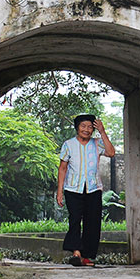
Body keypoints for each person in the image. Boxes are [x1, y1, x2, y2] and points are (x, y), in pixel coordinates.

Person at [56, 113, 116, 266]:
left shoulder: (97, 143)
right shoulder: (68, 144)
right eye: (83, 126)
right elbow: (62, 168)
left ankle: (87, 257)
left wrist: (102, 131)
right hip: (73, 189)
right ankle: (76, 253)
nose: (86, 130)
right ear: (77, 128)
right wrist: (59, 191)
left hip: (93, 189)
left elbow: (111, 152)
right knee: (75, 219)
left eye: (90, 127)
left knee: (93, 222)